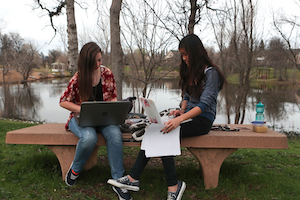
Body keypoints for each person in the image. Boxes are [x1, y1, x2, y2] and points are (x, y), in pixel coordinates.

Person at [107, 34, 226, 200]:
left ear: (196, 52)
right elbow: (187, 95)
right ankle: (151, 182)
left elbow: (204, 105)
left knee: (164, 132)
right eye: (182, 55)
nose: (183, 58)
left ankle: (165, 185)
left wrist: (179, 120)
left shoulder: (211, 74)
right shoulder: (192, 71)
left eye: (186, 54)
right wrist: (181, 110)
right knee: (157, 129)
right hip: (188, 116)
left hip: (202, 120)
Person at [59, 42, 132, 200]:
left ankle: (119, 181)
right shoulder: (78, 77)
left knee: (115, 135)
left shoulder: (107, 73)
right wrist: (83, 109)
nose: (99, 64)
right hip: (80, 118)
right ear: (87, 61)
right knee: (89, 138)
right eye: (96, 61)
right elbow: (63, 101)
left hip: (104, 119)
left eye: (100, 60)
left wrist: (113, 109)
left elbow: (113, 96)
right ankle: (75, 170)